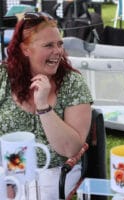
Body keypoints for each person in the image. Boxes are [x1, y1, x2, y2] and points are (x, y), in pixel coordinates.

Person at [0, 12, 93, 199]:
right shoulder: (3, 78)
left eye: (59, 44)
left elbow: (71, 149)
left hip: (55, 172)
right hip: (7, 169)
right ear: (25, 49)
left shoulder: (72, 83)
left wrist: (43, 105)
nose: (58, 51)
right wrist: (7, 180)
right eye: (48, 45)